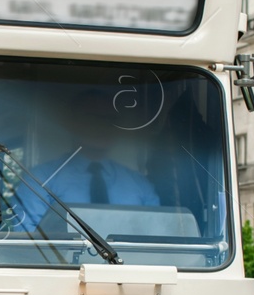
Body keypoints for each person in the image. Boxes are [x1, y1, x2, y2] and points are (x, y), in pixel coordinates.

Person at [12, 86, 160, 228]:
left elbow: (156, 234)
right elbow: (32, 241)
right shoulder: (40, 179)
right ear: (73, 123)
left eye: (110, 119)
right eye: (94, 118)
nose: (103, 126)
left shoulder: (139, 184)